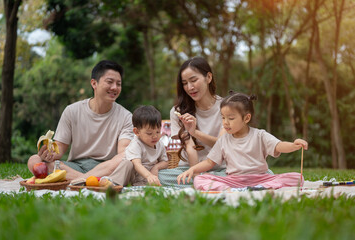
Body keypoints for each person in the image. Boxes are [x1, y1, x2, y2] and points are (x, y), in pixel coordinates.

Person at [27, 60, 134, 184]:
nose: (115, 87)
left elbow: (123, 154)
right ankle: (91, 181)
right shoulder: (72, 111)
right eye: (110, 82)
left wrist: (85, 176)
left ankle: (79, 180)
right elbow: (59, 150)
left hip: (107, 168)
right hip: (76, 166)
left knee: (126, 160)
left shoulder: (126, 117)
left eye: (118, 84)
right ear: (94, 83)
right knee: (34, 160)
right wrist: (47, 154)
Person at [177, 91, 308, 191]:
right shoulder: (223, 140)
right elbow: (210, 162)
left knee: (297, 178)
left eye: (231, 118)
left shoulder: (260, 135)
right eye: (223, 118)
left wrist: (293, 145)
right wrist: (192, 169)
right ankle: (231, 190)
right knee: (200, 179)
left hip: (261, 178)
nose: (225, 123)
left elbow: (279, 146)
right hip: (233, 181)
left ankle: (260, 187)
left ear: (246, 118)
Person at [158, 57, 227, 187]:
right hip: (190, 168)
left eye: (194, 80)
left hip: (220, 168)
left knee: (257, 172)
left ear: (209, 77)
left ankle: (208, 181)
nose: (190, 87)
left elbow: (221, 145)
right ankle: (206, 182)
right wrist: (195, 175)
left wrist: (194, 132)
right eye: (184, 83)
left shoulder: (226, 107)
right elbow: (190, 147)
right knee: (160, 176)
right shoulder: (178, 111)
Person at [122, 105, 169, 186]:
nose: (155, 136)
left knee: (168, 173)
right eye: (149, 133)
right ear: (136, 132)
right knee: (127, 164)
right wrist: (149, 175)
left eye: (158, 132)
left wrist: (156, 167)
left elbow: (165, 162)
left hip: (147, 178)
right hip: (131, 177)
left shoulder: (159, 144)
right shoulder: (136, 144)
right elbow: (137, 164)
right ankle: (114, 183)